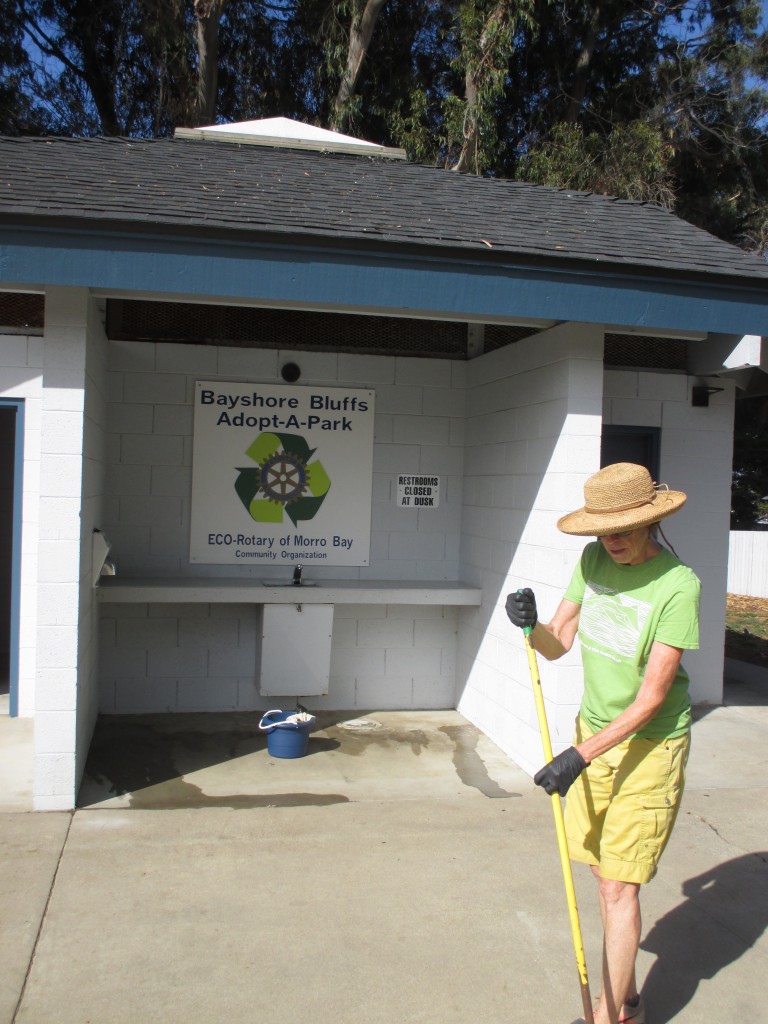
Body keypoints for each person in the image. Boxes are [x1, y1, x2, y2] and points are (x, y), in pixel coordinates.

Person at [506, 462, 700, 1024]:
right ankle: (628, 996)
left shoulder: (678, 586)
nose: (609, 540)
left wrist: (577, 757)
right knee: (601, 874)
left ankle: (609, 1014)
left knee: (619, 884)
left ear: (650, 522)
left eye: (621, 528)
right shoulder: (592, 560)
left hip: (650, 748)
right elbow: (558, 643)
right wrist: (531, 624)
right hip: (593, 737)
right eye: (600, 530)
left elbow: (650, 701)